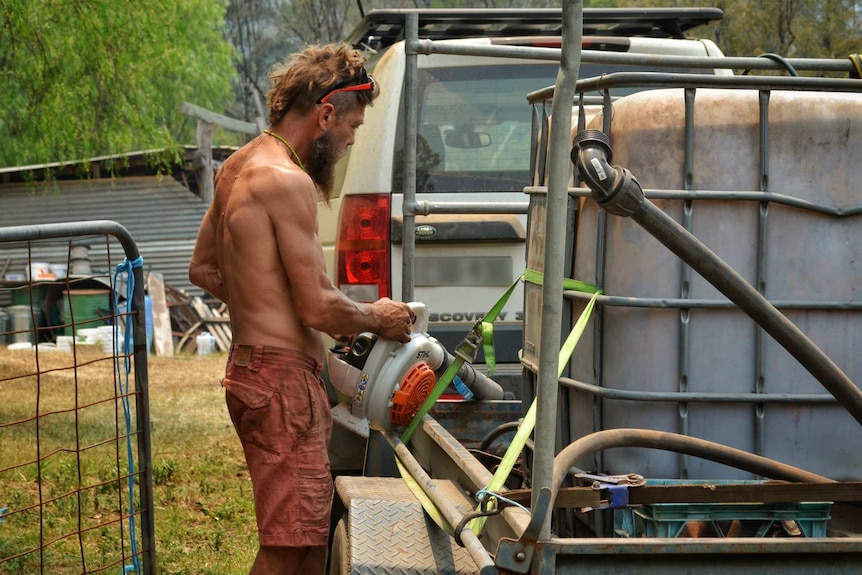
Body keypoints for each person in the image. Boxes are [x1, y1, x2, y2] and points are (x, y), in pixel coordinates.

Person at [188, 43, 415, 575]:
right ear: (326, 113)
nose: (350, 141)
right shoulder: (288, 181)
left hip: (252, 372)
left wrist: (268, 305)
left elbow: (203, 270)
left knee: (309, 539)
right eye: (353, 127)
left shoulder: (237, 166)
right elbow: (317, 306)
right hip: (283, 385)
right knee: (289, 546)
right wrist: (376, 318)